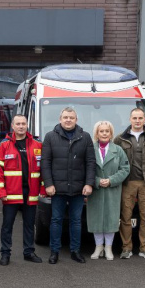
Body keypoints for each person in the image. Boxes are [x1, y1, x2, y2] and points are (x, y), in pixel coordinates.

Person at [40, 107, 96, 264]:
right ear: (60, 119)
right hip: (57, 188)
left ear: (76, 120)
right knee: (56, 220)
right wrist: (48, 184)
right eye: (65, 117)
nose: (68, 120)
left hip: (78, 188)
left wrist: (89, 183)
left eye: (71, 117)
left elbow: (91, 162)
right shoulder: (50, 137)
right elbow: (45, 163)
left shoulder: (85, 137)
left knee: (76, 221)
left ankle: (75, 251)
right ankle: (54, 252)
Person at [0, 114, 44, 266]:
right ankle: (5, 253)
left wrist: (42, 189)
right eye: (18, 124)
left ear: (27, 125)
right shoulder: (3, 146)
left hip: (31, 193)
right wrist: (0, 192)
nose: (21, 126)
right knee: (7, 225)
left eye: (23, 123)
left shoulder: (37, 145)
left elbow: (43, 170)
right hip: (10, 194)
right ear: (13, 126)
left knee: (29, 225)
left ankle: (29, 252)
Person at [114, 108, 145, 259]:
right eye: (134, 118)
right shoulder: (120, 139)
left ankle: (144, 248)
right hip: (127, 183)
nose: (137, 121)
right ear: (130, 119)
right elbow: (115, 159)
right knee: (125, 217)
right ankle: (126, 248)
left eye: (140, 118)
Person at [88, 121, 130, 261]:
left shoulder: (118, 150)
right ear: (97, 133)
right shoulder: (90, 149)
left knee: (111, 219)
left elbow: (125, 169)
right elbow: (85, 169)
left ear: (111, 133)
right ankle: (98, 247)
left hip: (113, 190)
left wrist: (111, 180)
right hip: (96, 190)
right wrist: (97, 181)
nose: (104, 133)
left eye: (107, 131)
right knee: (97, 218)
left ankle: (108, 248)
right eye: (101, 131)